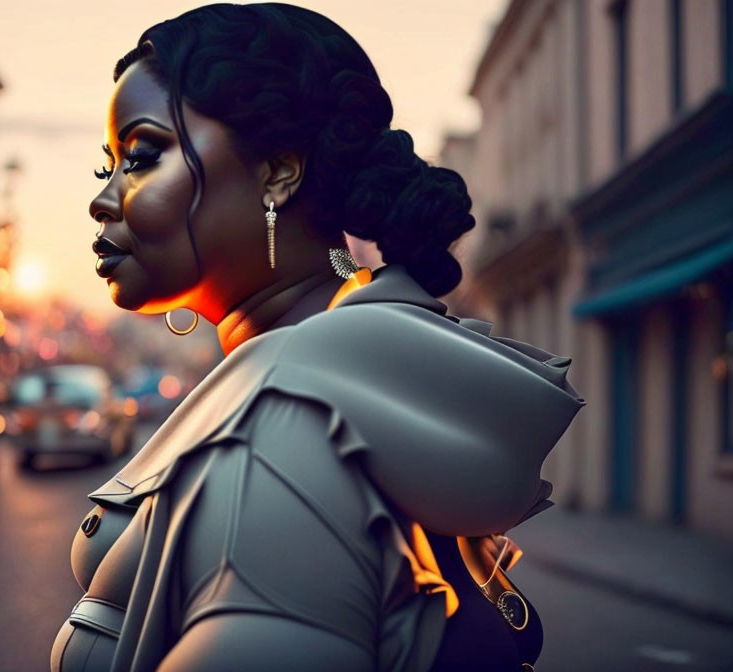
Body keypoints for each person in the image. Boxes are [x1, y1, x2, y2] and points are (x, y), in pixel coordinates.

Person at [50, 4, 586, 671]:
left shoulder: (286, 420)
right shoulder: (334, 369)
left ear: (278, 172)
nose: (103, 199)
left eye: (142, 156)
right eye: (109, 166)